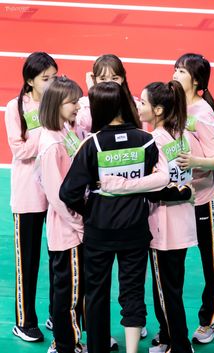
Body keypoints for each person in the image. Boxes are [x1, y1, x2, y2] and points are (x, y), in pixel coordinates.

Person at [59, 81, 169, 353]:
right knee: (132, 292)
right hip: (135, 229)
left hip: (100, 230)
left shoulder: (92, 143)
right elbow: (156, 186)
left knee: (96, 294)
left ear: (98, 107)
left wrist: (92, 209)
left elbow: (69, 192)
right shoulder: (147, 141)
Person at [100, 80, 197, 353]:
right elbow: (183, 182)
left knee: (166, 293)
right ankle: (168, 337)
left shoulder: (154, 140)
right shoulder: (179, 134)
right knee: (172, 288)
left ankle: (178, 345)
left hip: (163, 228)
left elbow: (156, 188)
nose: (138, 106)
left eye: (142, 102)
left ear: (157, 109)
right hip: (182, 224)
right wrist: (185, 193)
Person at [77, 53, 148, 343]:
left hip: (115, 215)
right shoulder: (85, 110)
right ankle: (98, 334)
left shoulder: (133, 109)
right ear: (94, 79)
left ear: (123, 77)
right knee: (97, 284)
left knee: (124, 282)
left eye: (114, 77)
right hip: (105, 212)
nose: (109, 83)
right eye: (102, 77)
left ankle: (129, 324)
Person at [173, 53, 214, 344]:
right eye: (175, 68)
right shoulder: (175, 106)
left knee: (210, 260)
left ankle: (210, 321)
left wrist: (193, 160)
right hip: (181, 198)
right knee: (174, 260)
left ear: (196, 81)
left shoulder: (203, 114)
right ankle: (171, 323)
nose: (175, 73)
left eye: (181, 71)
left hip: (206, 197)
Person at [4, 52, 58, 342]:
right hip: (28, 196)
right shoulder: (15, 107)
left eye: (54, 78)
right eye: (45, 79)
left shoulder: (57, 101)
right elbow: (20, 150)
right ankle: (25, 322)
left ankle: (56, 314)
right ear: (29, 80)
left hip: (57, 196)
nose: (51, 84)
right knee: (28, 261)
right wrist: (48, 130)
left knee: (58, 258)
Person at [37, 76, 85, 353]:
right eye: (73, 102)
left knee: (71, 291)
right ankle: (67, 345)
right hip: (67, 231)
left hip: (70, 228)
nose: (78, 106)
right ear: (57, 104)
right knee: (69, 293)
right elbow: (57, 196)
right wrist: (79, 225)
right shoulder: (52, 144)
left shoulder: (64, 131)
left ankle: (66, 343)